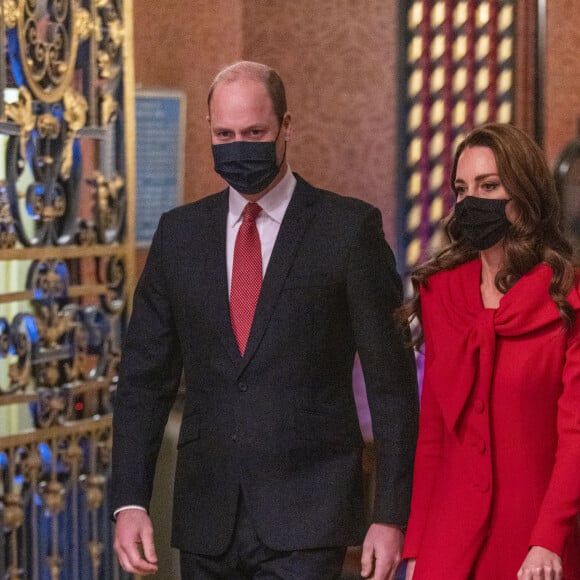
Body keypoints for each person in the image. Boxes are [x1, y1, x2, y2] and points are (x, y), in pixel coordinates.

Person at [111, 60, 419, 580]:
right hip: (208, 516)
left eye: (254, 132)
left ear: (286, 127)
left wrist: (389, 516)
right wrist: (129, 501)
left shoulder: (347, 230)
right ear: (208, 129)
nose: (239, 146)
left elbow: (392, 387)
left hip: (310, 515)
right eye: (225, 134)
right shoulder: (179, 236)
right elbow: (144, 381)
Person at [400, 123, 580, 580]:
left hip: (535, 548)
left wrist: (548, 539)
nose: (471, 201)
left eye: (489, 186)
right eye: (463, 189)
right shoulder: (442, 293)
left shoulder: (568, 300)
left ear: (526, 193)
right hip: (447, 542)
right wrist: (417, 546)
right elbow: (434, 435)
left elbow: (575, 436)